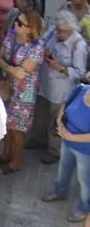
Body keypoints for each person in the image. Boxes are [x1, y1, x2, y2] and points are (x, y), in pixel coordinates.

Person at [31, 11, 88, 166]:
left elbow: (80, 73)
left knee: (56, 121)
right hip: (44, 84)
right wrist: (45, 52)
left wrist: (61, 68)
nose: (60, 34)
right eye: (58, 30)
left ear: (72, 30)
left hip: (61, 91)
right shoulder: (53, 32)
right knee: (40, 115)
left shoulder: (79, 45)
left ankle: (53, 150)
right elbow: (41, 42)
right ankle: (38, 139)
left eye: (64, 32)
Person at [0, 11, 44, 175]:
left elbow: (22, 72)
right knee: (6, 123)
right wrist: (9, 68)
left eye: (21, 24)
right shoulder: (11, 36)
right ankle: (6, 153)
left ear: (30, 29)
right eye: (17, 21)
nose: (16, 24)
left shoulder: (37, 48)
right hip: (7, 86)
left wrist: (6, 66)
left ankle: (16, 161)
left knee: (17, 128)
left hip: (24, 93)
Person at [42, 76, 90, 224]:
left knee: (85, 181)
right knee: (64, 169)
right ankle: (60, 192)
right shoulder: (81, 89)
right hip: (67, 141)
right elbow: (65, 104)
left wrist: (71, 136)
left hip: (85, 150)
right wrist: (59, 121)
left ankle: (84, 209)